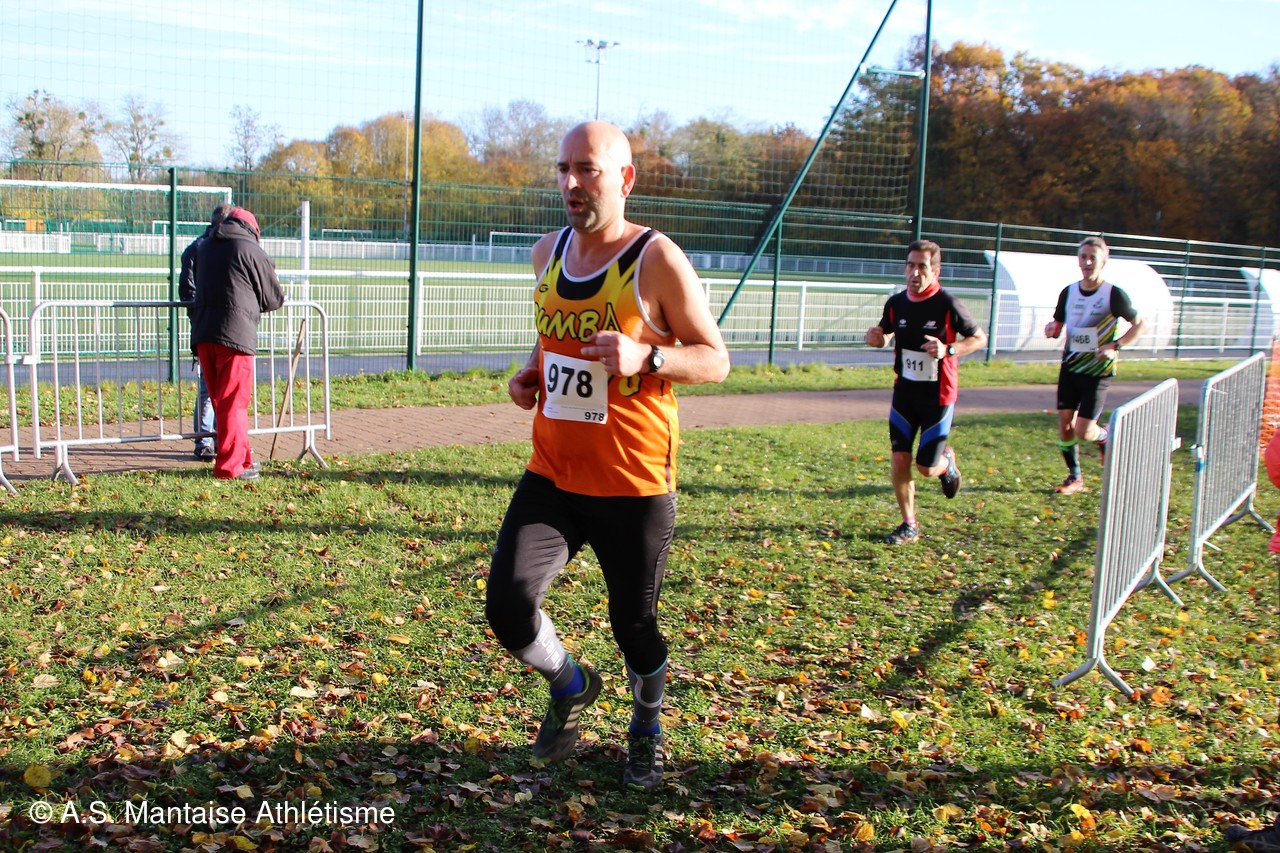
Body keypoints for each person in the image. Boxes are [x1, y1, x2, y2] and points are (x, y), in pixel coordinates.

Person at [484, 120, 730, 791]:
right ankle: (571, 682)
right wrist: (529, 373)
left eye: (586, 169)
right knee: (507, 606)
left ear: (624, 178)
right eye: (563, 168)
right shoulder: (547, 252)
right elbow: (551, 340)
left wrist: (647, 356)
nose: (570, 182)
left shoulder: (656, 258)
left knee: (635, 627)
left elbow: (716, 359)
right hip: (554, 475)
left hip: (633, 483)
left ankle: (646, 723)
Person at [865, 239, 988, 545]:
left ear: (936, 270)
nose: (915, 272)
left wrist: (949, 349)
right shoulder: (896, 303)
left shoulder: (947, 303)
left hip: (938, 397)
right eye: (910, 265)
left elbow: (979, 338)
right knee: (899, 459)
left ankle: (946, 464)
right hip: (905, 393)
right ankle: (909, 525)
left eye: (922, 266)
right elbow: (886, 334)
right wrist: (877, 339)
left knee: (925, 467)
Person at [1043, 236, 1147, 495]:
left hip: (1097, 373)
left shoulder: (1113, 294)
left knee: (1084, 431)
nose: (1087, 262)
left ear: (1103, 262)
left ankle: (1105, 436)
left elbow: (1140, 325)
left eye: (1093, 258)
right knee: (1065, 424)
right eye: (1083, 257)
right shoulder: (1068, 292)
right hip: (1070, 368)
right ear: (1078, 260)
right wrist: (1052, 329)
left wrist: (1115, 345)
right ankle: (1074, 477)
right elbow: (1058, 325)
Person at [190, 206, 285, 481]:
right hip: (235, 336)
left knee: (222, 402)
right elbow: (273, 298)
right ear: (253, 229)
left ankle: (242, 459)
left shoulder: (204, 247)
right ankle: (231, 467)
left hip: (204, 333)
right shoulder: (250, 249)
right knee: (234, 404)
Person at [179, 203, 235, 461]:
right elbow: (188, 290)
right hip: (209, 326)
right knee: (208, 388)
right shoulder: (199, 249)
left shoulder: (203, 248)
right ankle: (204, 440)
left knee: (217, 388)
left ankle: (217, 439)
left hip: (216, 325)